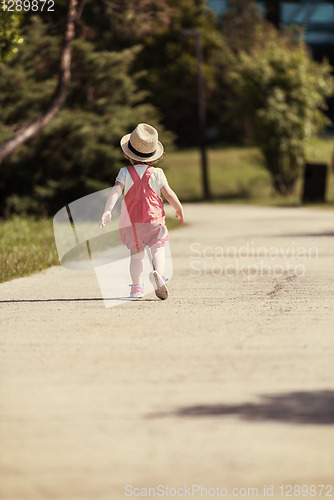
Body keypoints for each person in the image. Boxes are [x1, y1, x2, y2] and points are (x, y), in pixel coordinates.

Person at [99, 123, 184, 300]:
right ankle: (159, 275)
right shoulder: (157, 173)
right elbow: (168, 193)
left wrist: (107, 210)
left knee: (136, 257)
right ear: (154, 156)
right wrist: (179, 208)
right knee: (158, 250)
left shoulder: (124, 172)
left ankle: (137, 288)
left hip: (131, 223)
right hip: (153, 221)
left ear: (127, 154)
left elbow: (115, 191)